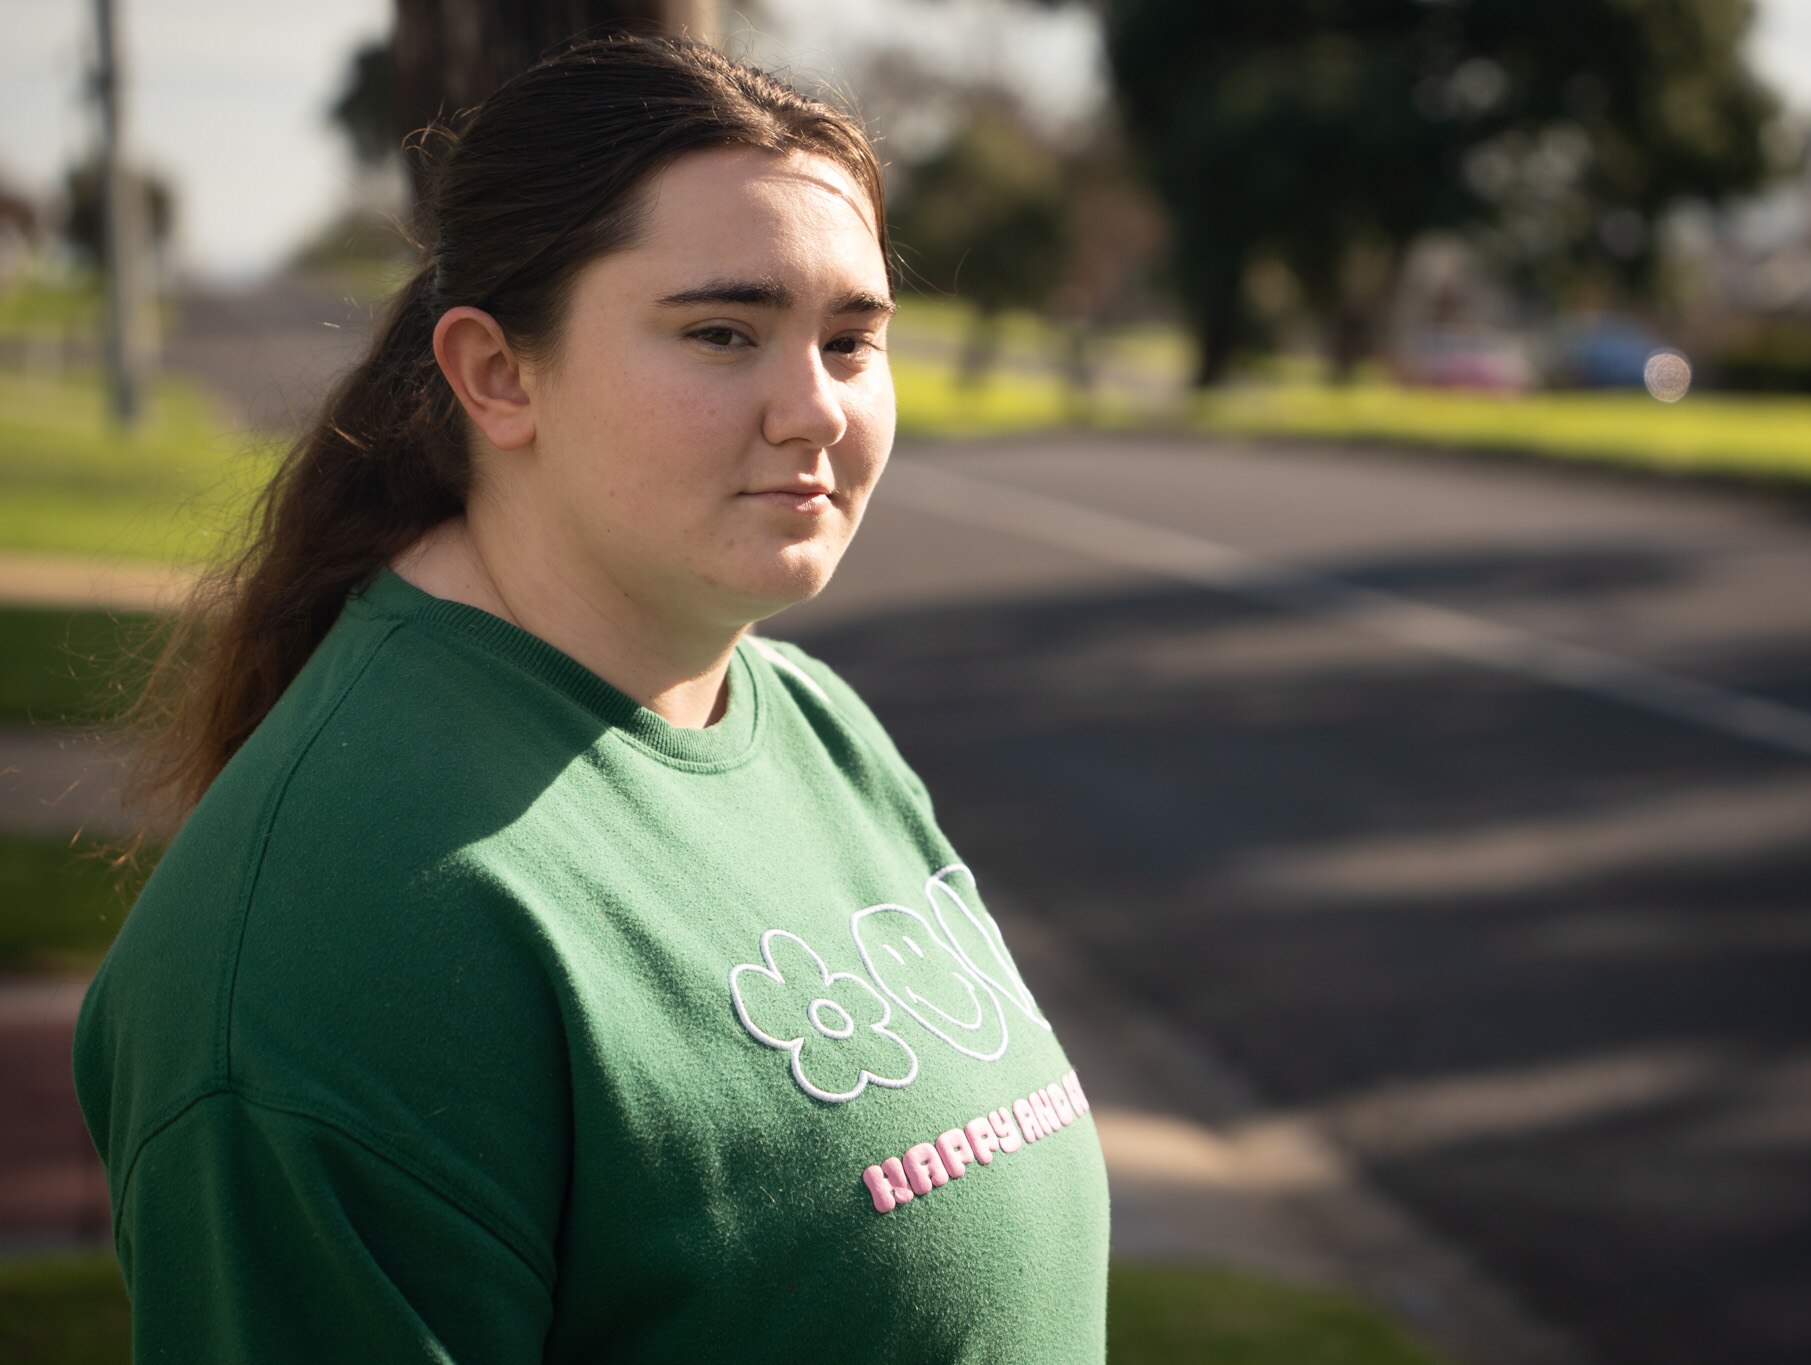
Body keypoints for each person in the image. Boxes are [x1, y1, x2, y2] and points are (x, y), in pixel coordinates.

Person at [72, 34, 1109, 1363]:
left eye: (852, 339)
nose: (814, 409)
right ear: (498, 374)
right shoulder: (352, 927)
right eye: (723, 333)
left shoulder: (806, 716)